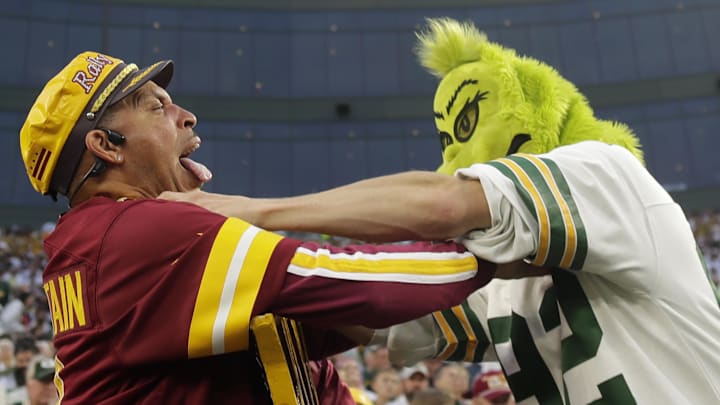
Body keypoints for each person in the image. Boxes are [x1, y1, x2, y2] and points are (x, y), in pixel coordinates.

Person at [159, 37, 720, 405]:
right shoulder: (506, 272)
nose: (455, 153)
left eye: (468, 124)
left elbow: (449, 202)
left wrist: (256, 213)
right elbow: (380, 320)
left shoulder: (606, 171)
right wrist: (260, 275)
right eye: (445, 137)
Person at [18, 51, 501, 404]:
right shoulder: (138, 232)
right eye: (155, 106)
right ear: (106, 145)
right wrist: (504, 240)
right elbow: (366, 287)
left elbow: (304, 342)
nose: (186, 116)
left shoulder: (105, 240)